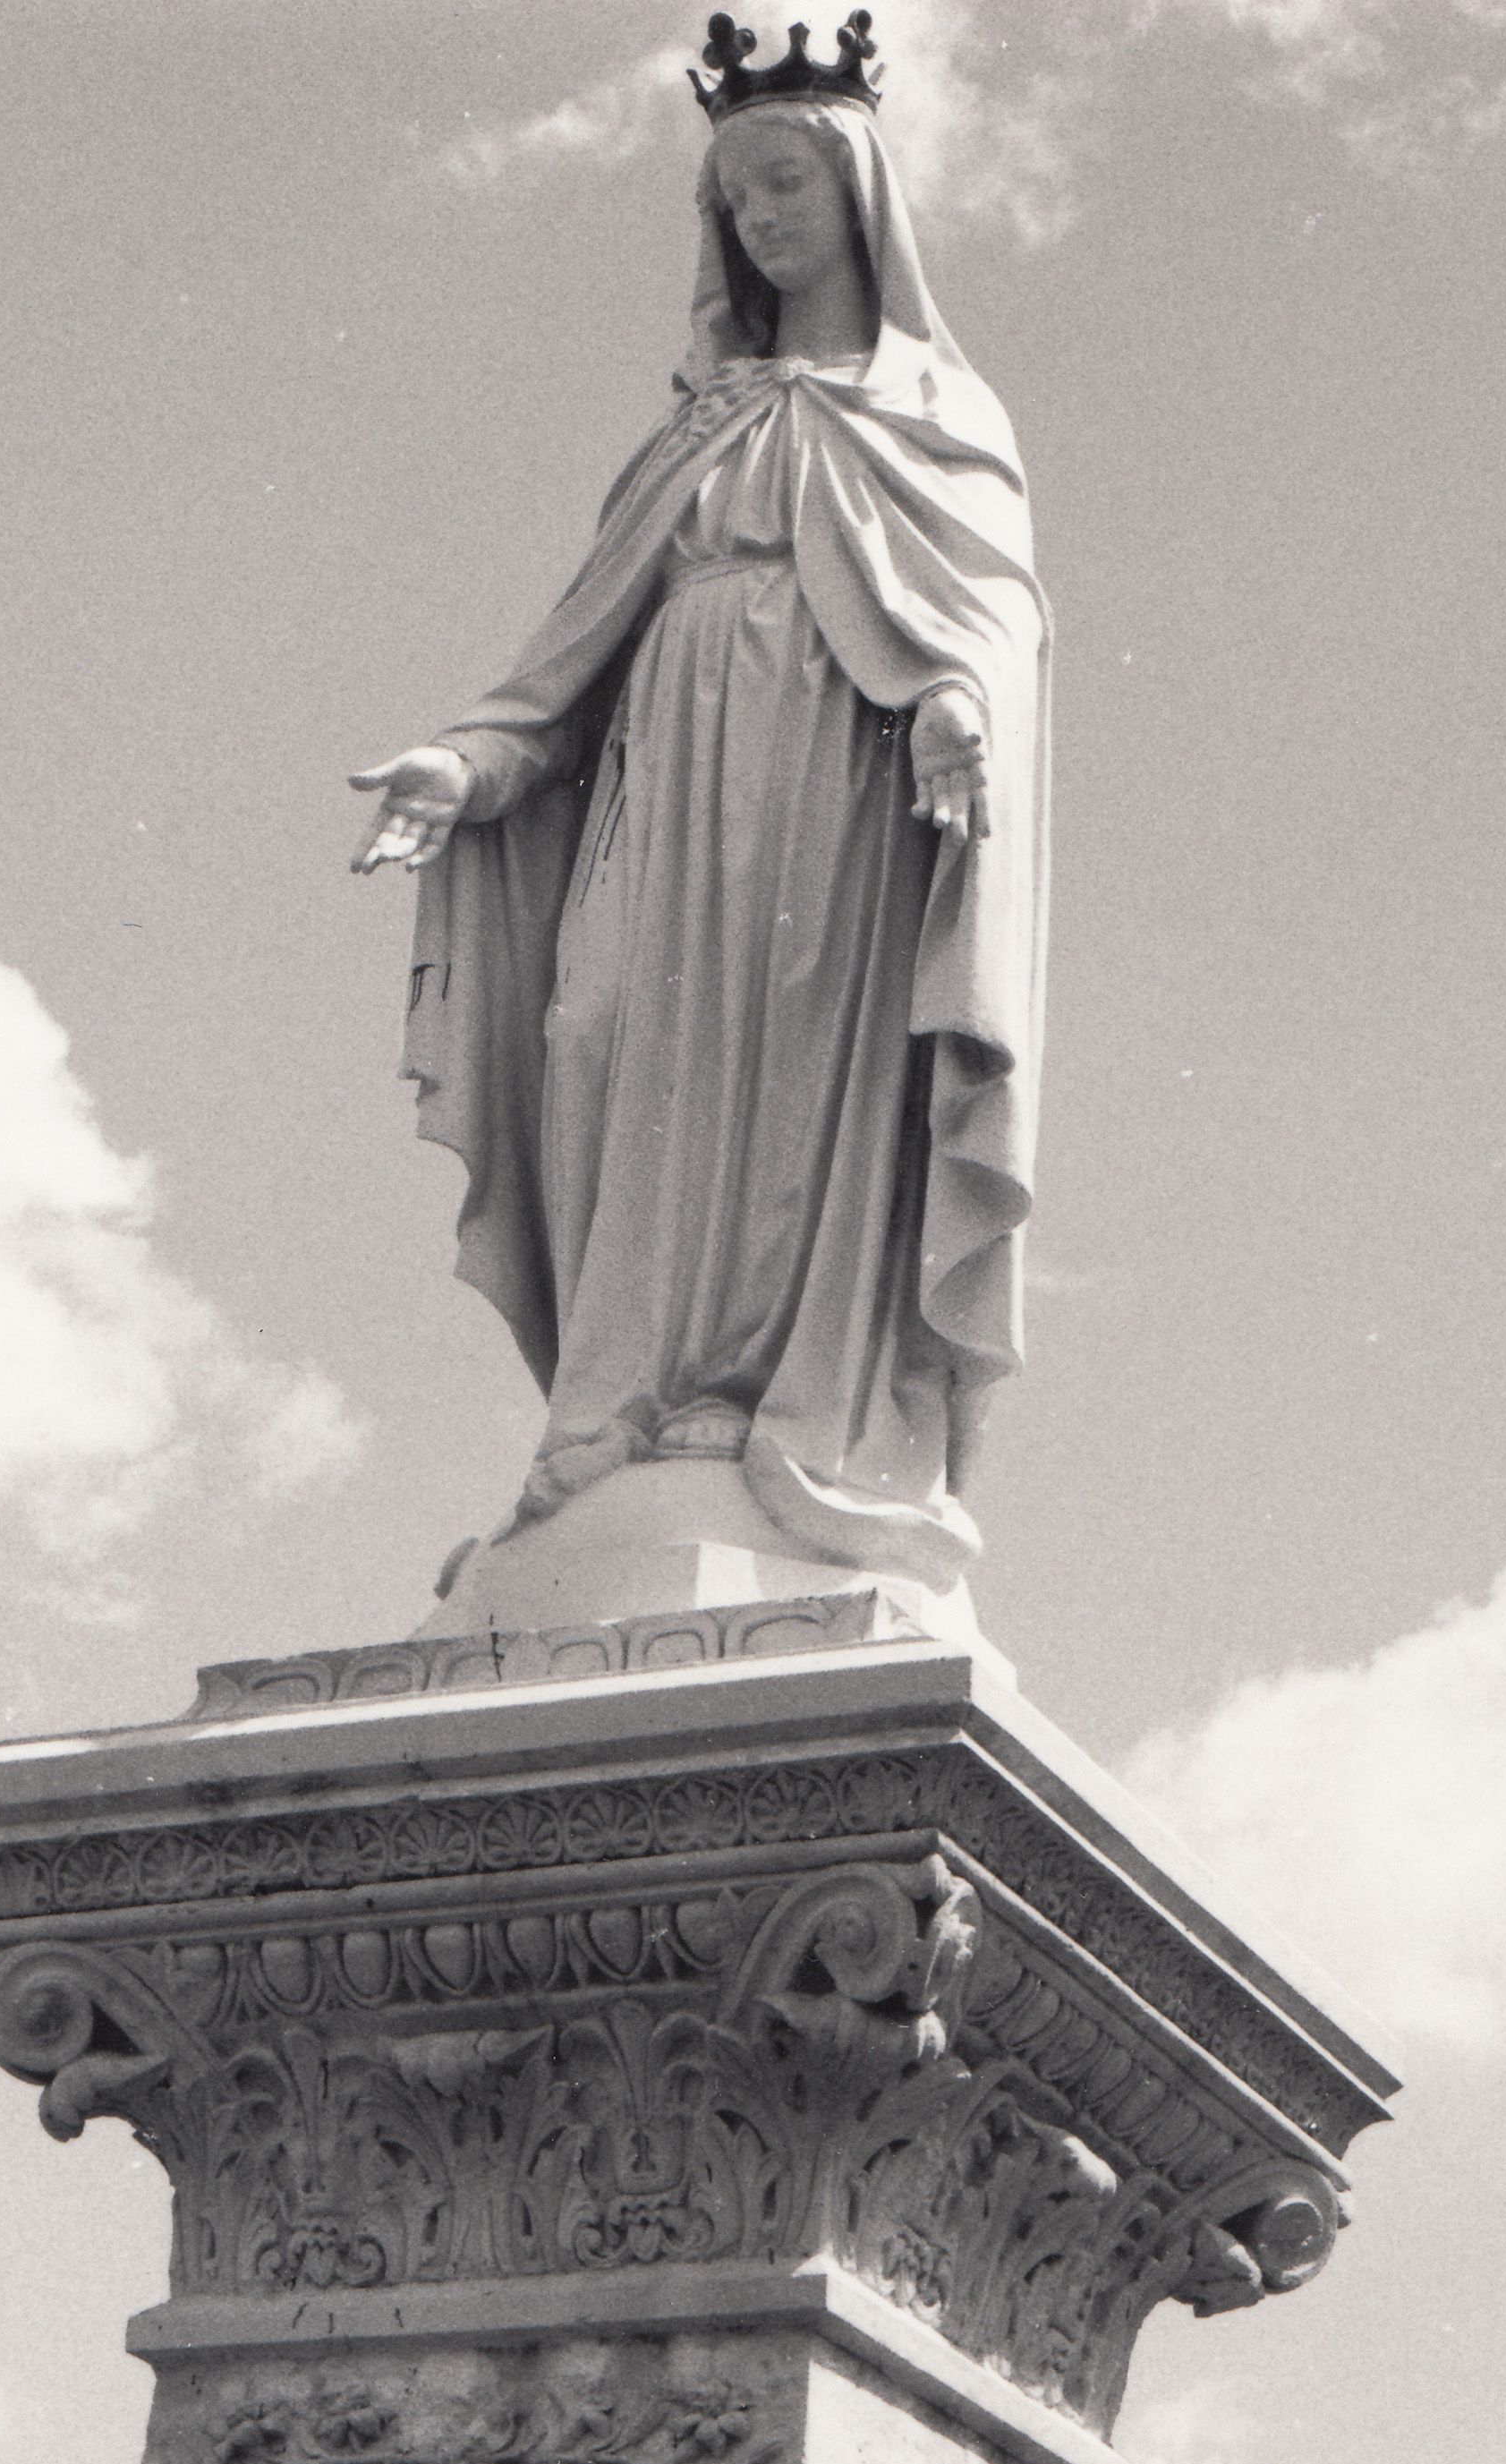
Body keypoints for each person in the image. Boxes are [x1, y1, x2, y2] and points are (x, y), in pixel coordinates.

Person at [350, 18, 1049, 1595]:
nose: (762, 220)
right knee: (598, 1036)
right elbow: (566, 657)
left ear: (858, 195)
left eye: (786, 182)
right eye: (736, 197)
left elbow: (992, 619)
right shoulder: (700, 428)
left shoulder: (936, 413)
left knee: (799, 1087)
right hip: (666, 791)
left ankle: (767, 1421)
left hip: (834, 803)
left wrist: (952, 696)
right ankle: (616, 1405)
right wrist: (465, 765)